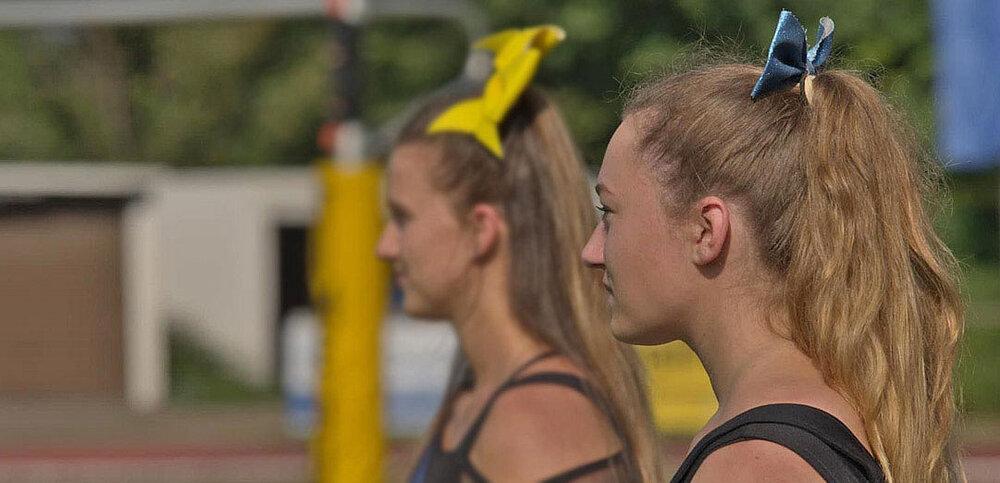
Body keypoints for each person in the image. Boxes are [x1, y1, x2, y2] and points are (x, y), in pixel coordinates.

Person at [582, 11, 964, 483]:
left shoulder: (753, 465)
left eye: (609, 214)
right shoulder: (836, 414)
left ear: (706, 231)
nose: (592, 252)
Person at [377, 25, 660, 482]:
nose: (385, 245)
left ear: (480, 229)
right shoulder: (482, 392)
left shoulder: (540, 421)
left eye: (403, 217)